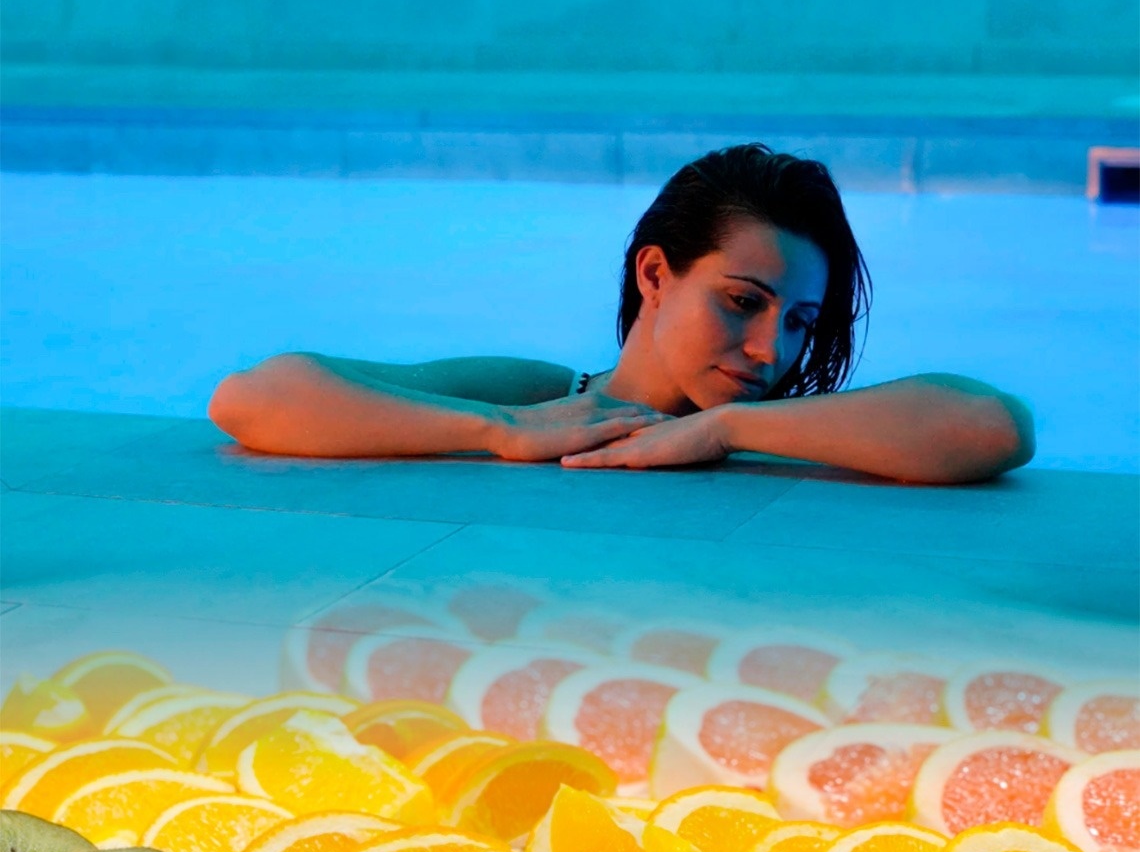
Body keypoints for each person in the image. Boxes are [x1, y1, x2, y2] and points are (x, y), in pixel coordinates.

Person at [209, 143, 1035, 484]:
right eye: (743, 301)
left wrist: (730, 430)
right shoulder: (544, 397)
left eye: (799, 322)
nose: (768, 349)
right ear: (655, 273)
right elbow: (253, 397)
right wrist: (501, 428)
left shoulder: (796, 428)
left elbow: (991, 426)